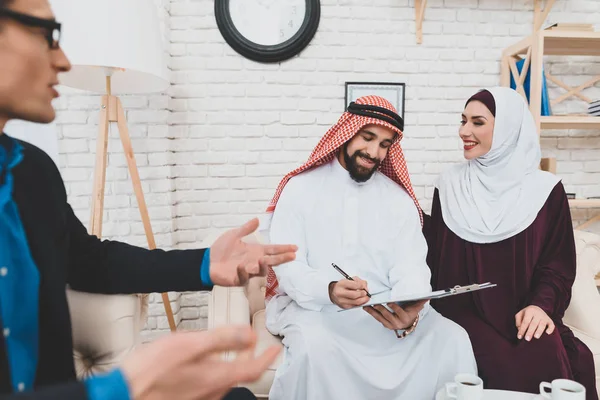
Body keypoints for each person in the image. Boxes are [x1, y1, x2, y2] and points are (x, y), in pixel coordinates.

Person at [0, 0, 298, 399]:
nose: (63, 61)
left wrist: (205, 263)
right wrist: (125, 387)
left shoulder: (32, 171)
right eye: (45, 35)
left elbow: (89, 262)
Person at [261, 95, 477, 400]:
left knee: (453, 338)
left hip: (383, 315)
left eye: (385, 144)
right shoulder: (300, 189)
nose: (374, 152)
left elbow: (411, 264)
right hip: (317, 309)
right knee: (314, 348)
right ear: (348, 132)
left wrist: (410, 310)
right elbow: (288, 267)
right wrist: (331, 289)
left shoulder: (397, 199)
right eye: (368, 138)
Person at [425, 86, 598, 399]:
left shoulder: (545, 189)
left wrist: (541, 306)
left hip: (524, 309)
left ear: (507, 128)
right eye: (463, 120)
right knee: (500, 361)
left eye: (477, 122)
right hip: (461, 311)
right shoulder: (448, 184)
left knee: (548, 352)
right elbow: (437, 254)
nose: (464, 130)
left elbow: (556, 264)